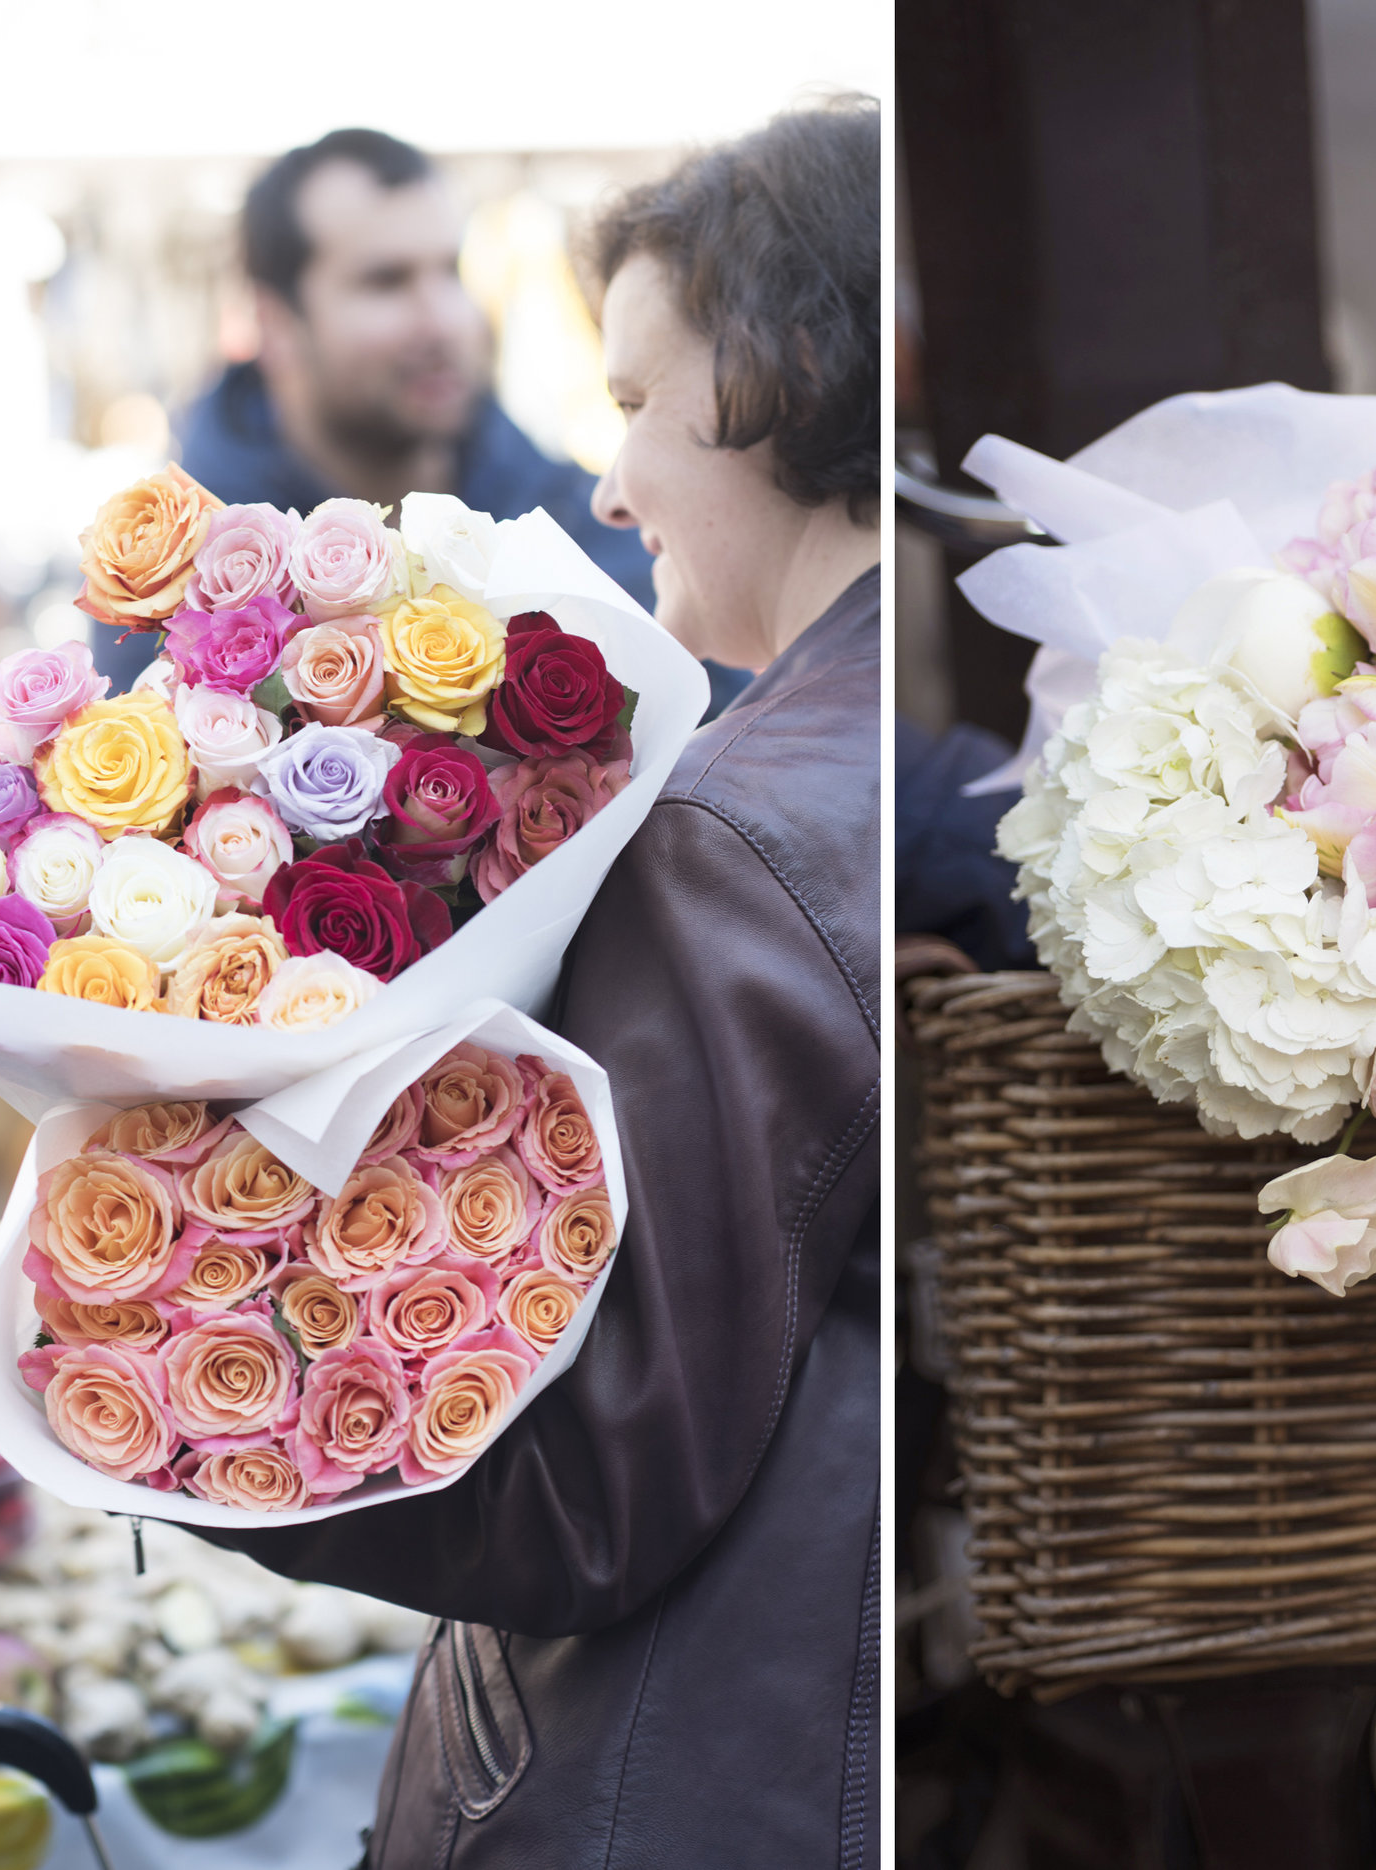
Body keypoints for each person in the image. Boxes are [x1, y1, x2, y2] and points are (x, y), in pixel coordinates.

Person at [205, 99, 881, 1868]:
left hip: (728, 1760)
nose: (607, 483)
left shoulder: (747, 830)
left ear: (782, 373)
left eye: (639, 404)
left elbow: (589, 1481)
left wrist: (189, 1372)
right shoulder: (1026, 726)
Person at [100, 128, 745, 706]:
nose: (442, 320)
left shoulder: (586, 530)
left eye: (450, 271)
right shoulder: (169, 589)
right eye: (385, 282)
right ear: (276, 324)